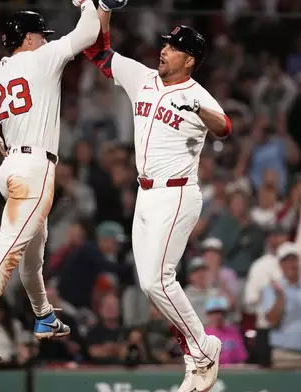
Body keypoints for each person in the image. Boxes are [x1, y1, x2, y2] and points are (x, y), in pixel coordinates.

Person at [82, 3, 231, 391]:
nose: (164, 50)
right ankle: (195, 357)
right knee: (149, 283)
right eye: (165, 44)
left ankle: (202, 346)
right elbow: (98, 52)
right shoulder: (143, 78)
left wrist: (198, 106)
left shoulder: (197, 93)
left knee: (157, 281)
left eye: (174, 47)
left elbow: (225, 127)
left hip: (178, 194)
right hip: (145, 194)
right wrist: (103, 11)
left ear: (190, 59)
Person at [0, 1, 101, 363]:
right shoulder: (42, 58)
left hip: (12, 166)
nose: (43, 39)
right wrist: (88, 3)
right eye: (39, 34)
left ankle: (43, 316)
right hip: (35, 168)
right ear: (28, 36)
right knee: (9, 249)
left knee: (33, 255)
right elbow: (89, 33)